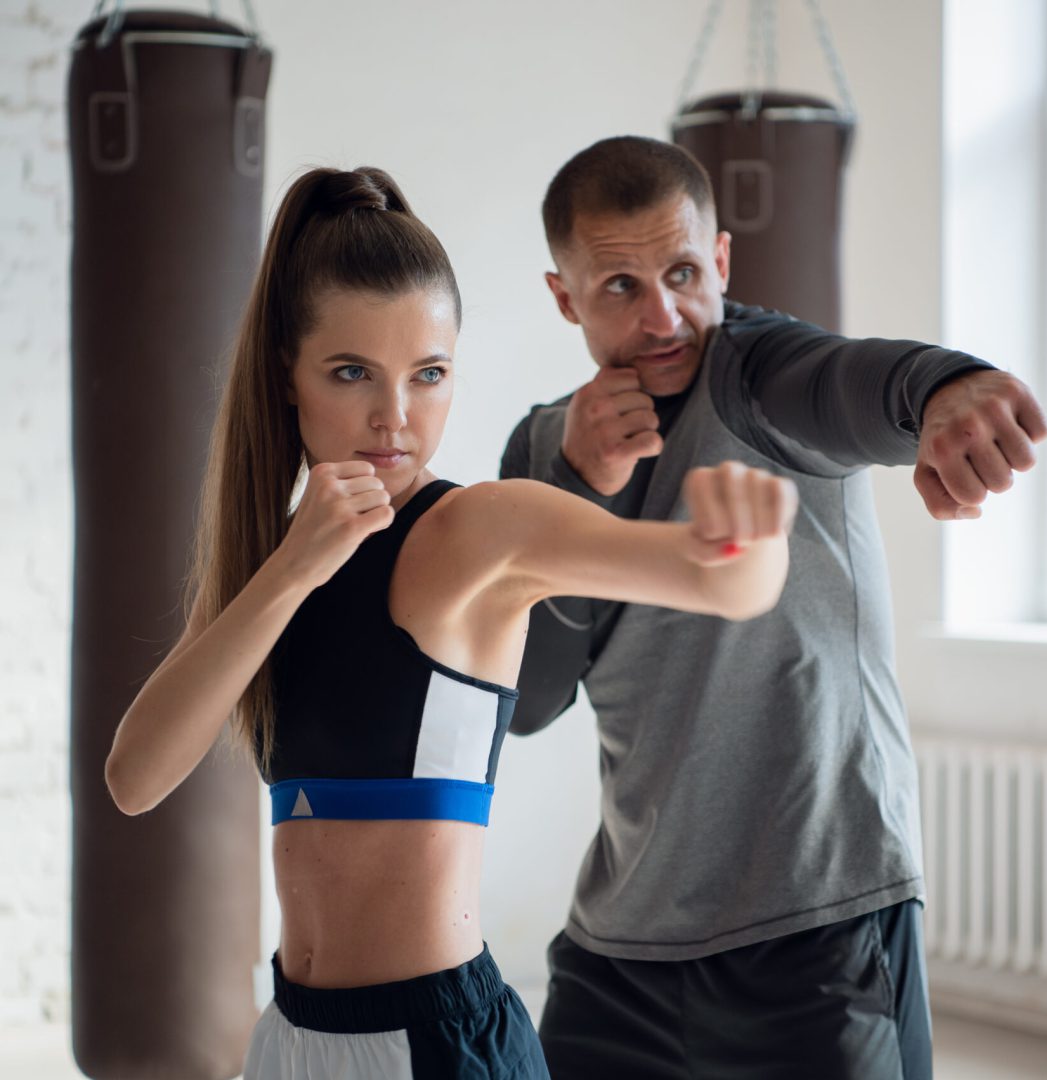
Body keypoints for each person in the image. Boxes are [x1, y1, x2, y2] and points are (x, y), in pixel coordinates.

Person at [102, 165, 799, 1080]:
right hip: (288, 1035)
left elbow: (717, 583)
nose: (395, 420)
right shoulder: (274, 560)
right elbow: (135, 778)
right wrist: (294, 566)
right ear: (288, 375)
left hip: (431, 1043)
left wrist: (755, 542)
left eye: (428, 375)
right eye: (352, 373)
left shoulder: (478, 532)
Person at [500, 136, 1047, 1079]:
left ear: (719, 260)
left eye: (682, 272)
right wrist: (577, 488)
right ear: (565, 297)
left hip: (818, 925)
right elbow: (531, 699)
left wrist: (946, 387)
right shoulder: (543, 446)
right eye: (620, 288)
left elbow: (850, 379)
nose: (665, 315)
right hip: (619, 945)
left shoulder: (758, 374)